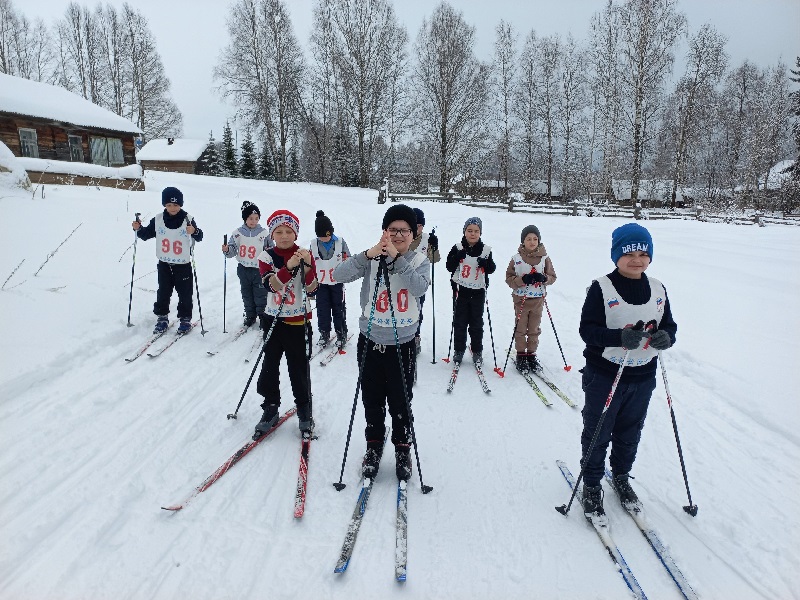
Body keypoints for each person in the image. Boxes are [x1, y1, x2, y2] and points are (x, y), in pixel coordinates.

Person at [577, 223, 677, 516]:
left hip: (643, 376)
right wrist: (618, 337)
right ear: (616, 255)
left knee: (629, 432)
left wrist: (667, 337)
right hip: (605, 374)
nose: (637, 259)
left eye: (643, 252)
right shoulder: (601, 287)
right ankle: (592, 483)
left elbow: (669, 324)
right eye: (629, 253)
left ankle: (620, 476)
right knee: (598, 431)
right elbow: (587, 331)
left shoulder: (658, 288)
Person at [333, 204, 430, 481]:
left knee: (401, 401)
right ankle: (374, 445)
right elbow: (338, 275)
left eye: (404, 230)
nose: (398, 235)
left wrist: (398, 260)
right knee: (372, 399)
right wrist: (366, 255)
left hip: (404, 344)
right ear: (384, 231)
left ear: (413, 234)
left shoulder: (419, 260)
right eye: (393, 229)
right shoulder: (372, 258)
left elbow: (420, 288)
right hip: (371, 340)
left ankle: (402, 447)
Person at [254, 210, 319, 437]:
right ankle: (270, 407)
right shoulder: (266, 256)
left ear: (295, 233)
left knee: (299, 369)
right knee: (269, 367)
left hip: (298, 321)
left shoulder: (304, 253)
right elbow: (271, 285)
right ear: (272, 233)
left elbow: (313, 289)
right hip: (273, 319)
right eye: (279, 231)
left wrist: (308, 266)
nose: (284, 236)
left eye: (289, 231)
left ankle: (304, 410)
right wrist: (289, 267)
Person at [131, 186, 203, 334]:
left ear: (180, 204)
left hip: (182, 264)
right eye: (169, 205)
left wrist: (194, 231)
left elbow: (200, 236)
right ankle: (162, 318)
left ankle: (185, 319)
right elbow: (145, 235)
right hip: (164, 263)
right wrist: (138, 228)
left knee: (185, 293)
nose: (172, 208)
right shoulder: (158, 219)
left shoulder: (188, 219)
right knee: (163, 291)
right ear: (164, 204)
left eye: (176, 205)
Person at [504, 225, 557, 374]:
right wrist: (522, 280)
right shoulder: (516, 258)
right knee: (520, 328)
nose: (532, 242)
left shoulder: (545, 258)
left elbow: (553, 277)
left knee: (534, 328)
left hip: (538, 299)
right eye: (528, 239)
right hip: (520, 299)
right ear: (523, 241)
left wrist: (544, 278)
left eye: (535, 239)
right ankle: (521, 355)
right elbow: (509, 279)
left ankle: (531, 354)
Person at [445, 217, 496, 366]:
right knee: (460, 322)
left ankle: (477, 350)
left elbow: (492, 269)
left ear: (480, 233)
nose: (473, 234)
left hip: (478, 291)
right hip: (461, 290)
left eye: (476, 231)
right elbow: (449, 266)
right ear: (464, 231)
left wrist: (486, 264)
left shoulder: (485, 250)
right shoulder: (458, 247)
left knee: (476, 323)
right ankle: (459, 350)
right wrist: (457, 257)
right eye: (469, 231)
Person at [222, 201, 274, 328]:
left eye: (256, 218)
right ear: (245, 218)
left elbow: (271, 249)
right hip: (243, 268)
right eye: (251, 218)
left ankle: (262, 316)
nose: (253, 221)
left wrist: (270, 256)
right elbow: (232, 251)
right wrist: (227, 250)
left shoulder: (264, 233)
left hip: (259, 269)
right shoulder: (237, 233)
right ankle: (250, 315)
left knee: (260, 294)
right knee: (246, 293)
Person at [310, 210, 350, 348]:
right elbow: (310, 262)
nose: (325, 239)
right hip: (321, 283)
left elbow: (348, 259)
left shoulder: (340, 242)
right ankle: (324, 333)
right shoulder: (314, 244)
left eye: (327, 236)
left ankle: (341, 333)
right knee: (322, 309)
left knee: (338, 308)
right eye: (322, 237)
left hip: (337, 283)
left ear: (331, 232)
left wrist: (346, 262)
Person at [409, 207, 441, 355]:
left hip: (420, 282)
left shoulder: (427, 239)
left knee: (417, 311)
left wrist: (434, 246)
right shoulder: (403, 236)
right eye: (414, 225)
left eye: (420, 226)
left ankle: (415, 337)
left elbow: (435, 259)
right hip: (401, 281)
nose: (417, 228)